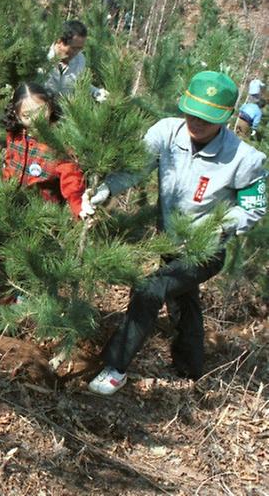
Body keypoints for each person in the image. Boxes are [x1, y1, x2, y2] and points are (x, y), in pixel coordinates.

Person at [85, 71, 267, 395]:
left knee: (150, 290)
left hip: (205, 250)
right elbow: (136, 167)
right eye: (191, 114)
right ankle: (190, 366)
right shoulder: (167, 133)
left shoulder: (244, 158)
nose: (195, 123)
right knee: (184, 300)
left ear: (225, 118)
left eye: (205, 119)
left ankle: (115, 367)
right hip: (170, 240)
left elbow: (254, 205)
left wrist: (220, 228)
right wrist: (106, 189)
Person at [1, 83, 94, 219]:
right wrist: (4, 191)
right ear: (17, 115)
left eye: (40, 111)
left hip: (46, 214)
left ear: (49, 106)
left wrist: (78, 206)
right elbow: (9, 164)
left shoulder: (59, 141)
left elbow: (72, 178)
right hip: (14, 206)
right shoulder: (15, 135)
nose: (36, 119)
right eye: (27, 115)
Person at [44, 20, 109, 102]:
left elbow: (80, 83)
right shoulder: (42, 58)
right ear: (59, 41)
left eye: (80, 48)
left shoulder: (80, 59)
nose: (77, 52)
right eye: (74, 48)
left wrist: (96, 92)